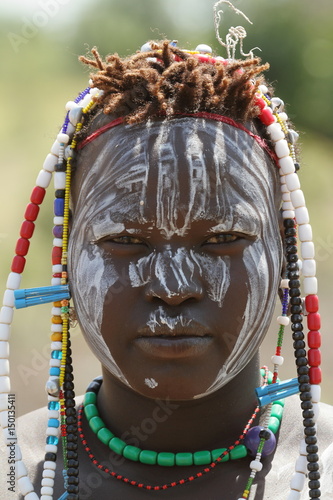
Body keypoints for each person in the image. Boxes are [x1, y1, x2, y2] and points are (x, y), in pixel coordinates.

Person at [1, 6, 332, 499]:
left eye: (222, 240)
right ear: (66, 260)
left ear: (285, 254)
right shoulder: (15, 473)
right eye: (126, 241)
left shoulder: (319, 471)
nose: (174, 288)